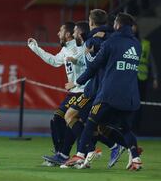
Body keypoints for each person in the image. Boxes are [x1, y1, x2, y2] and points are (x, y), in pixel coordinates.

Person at [65, 13, 142, 171]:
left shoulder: (110, 42)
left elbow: (93, 66)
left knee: (90, 122)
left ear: (117, 25)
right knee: (124, 128)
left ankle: (80, 154)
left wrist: (76, 82)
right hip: (130, 95)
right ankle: (136, 158)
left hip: (109, 94)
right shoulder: (137, 44)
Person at [27, 22, 86, 166]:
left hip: (83, 91)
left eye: (60, 31)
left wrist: (76, 81)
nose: (58, 34)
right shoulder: (66, 49)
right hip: (74, 93)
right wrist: (36, 48)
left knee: (70, 120)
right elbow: (53, 61)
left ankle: (68, 154)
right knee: (59, 119)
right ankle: (61, 153)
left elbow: (86, 64)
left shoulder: (81, 47)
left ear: (67, 34)